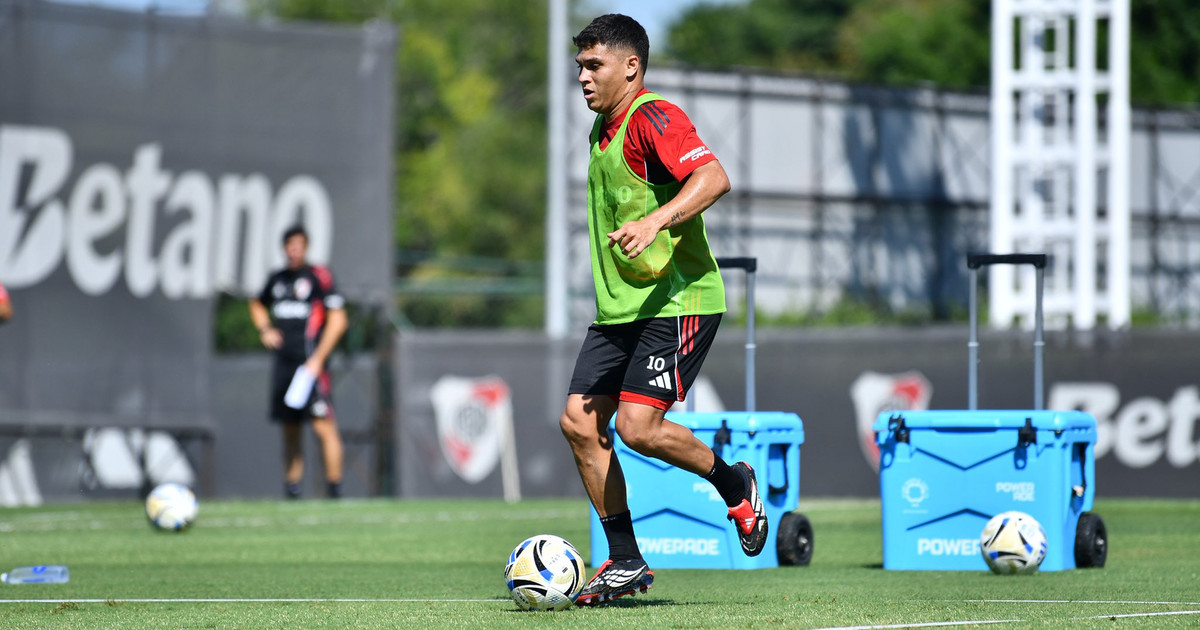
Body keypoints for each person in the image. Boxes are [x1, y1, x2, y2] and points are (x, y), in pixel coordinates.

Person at [561, 14, 766, 606]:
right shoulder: (601, 130)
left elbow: (714, 177)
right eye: (579, 66)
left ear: (631, 67)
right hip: (621, 310)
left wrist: (655, 220)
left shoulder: (653, 116)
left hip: (679, 301)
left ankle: (734, 483)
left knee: (636, 428)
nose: (583, 76)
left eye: (594, 65)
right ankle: (625, 560)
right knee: (578, 423)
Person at [249, 225, 347, 499]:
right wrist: (265, 329)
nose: (294, 250)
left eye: (298, 245)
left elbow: (338, 321)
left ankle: (334, 492)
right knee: (290, 429)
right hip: (284, 365)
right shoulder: (277, 279)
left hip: (310, 368)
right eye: (289, 245)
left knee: (323, 426)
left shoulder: (318, 277)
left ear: (306, 248)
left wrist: (317, 360)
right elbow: (257, 303)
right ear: (284, 248)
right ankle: (292, 493)